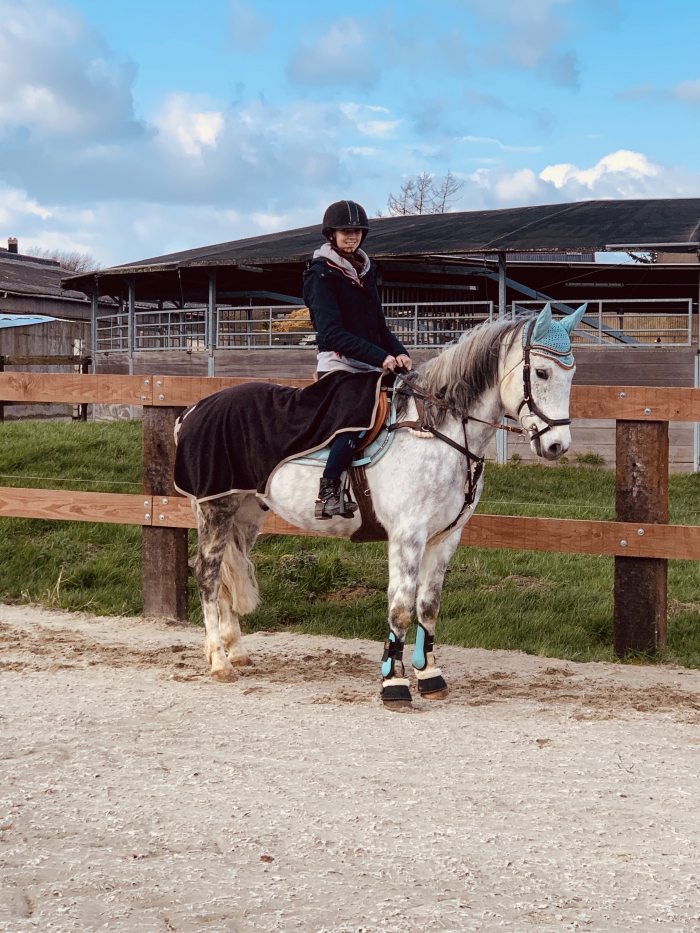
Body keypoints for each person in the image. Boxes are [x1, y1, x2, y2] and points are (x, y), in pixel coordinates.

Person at [302, 200, 412, 520]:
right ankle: (328, 491)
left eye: (357, 231)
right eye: (345, 231)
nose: (352, 236)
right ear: (331, 234)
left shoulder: (366, 270)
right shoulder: (320, 275)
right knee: (355, 419)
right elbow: (332, 334)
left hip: (370, 363)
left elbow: (379, 327)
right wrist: (381, 357)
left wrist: (399, 352)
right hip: (339, 365)